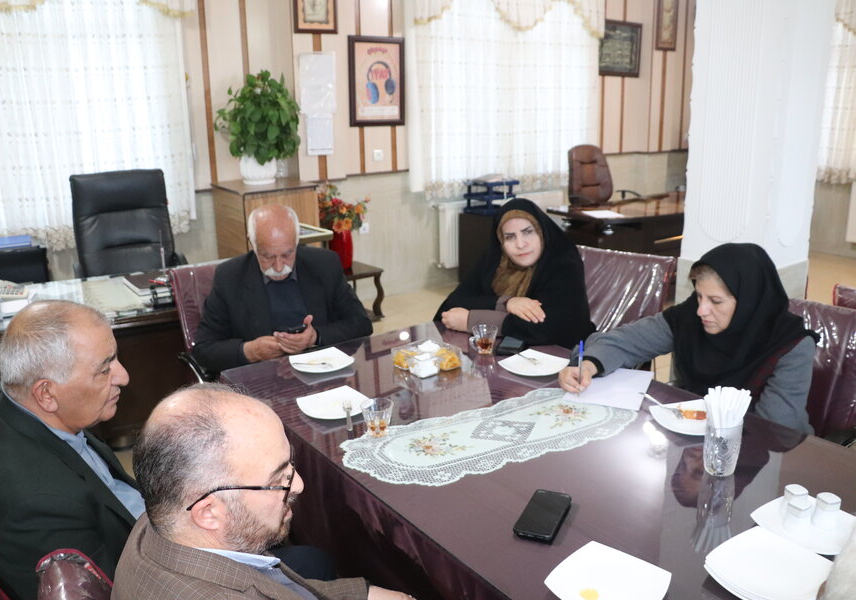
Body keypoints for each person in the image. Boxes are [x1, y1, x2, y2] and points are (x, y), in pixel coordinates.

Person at [112, 383, 413, 600]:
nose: (298, 485)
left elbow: (276, 584)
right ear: (209, 512)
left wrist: (363, 594)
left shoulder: (166, 512)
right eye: (277, 479)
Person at [0, 300, 143, 600]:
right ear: (46, 394)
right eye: (104, 369)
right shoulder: (40, 507)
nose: (123, 377)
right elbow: (117, 590)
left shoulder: (11, 396)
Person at [558, 243, 818, 433]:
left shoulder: (790, 346)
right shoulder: (689, 317)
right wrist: (589, 364)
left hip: (757, 456)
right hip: (689, 437)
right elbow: (624, 341)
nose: (701, 310)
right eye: (699, 296)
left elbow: (775, 430)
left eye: (716, 301)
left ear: (749, 302)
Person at [194, 204, 373, 373]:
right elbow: (204, 349)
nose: (279, 267)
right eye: (268, 256)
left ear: (297, 240)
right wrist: (250, 351)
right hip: (261, 378)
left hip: (321, 371)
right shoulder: (230, 276)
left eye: (287, 254)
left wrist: (315, 337)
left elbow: (361, 323)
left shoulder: (324, 264)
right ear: (252, 243)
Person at [434, 198, 595, 348]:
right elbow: (453, 303)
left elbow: (547, 328)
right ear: (501, 241)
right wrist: (507, 303)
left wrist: (472, 321)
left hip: (568, 356)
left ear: (541, 232)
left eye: (528, 232)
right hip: (507, 352)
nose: (520, 244)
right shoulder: (496, 259)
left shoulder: (563, 261)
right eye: (510, 237)